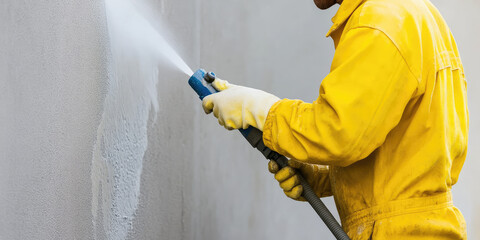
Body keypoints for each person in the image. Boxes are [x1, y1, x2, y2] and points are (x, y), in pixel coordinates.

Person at [201, 0, 469, 238]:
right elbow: (407, 155)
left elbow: (340, 133)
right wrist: (322, 177)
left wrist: (260, 110)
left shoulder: (380, 21)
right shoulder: (419, 15)